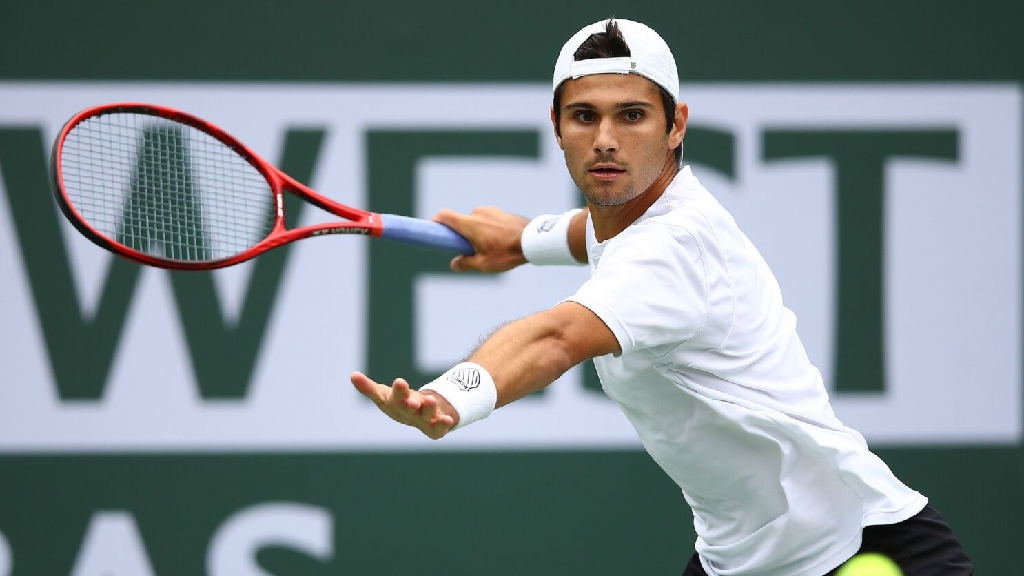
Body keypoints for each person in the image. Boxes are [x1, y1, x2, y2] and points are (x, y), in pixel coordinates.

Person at [350, 18, 973, 576]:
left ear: (675, 126)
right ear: (557, 127)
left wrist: (451, 397)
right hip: (740, 559)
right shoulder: (642, 215)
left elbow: (556, 336)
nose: (606, 139)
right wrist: (522, 239)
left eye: (632, 116)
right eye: (584, 116)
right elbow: (594, 233)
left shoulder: (673, 249)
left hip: (859, 549)